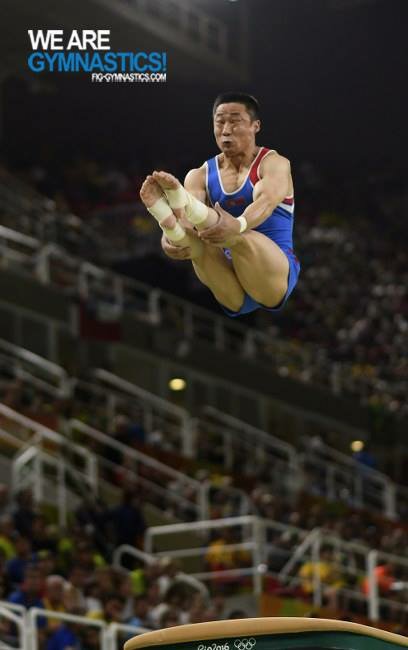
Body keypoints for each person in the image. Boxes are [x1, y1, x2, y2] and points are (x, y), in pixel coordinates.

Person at [140, 92, 300, 317]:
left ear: (255, 126)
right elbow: (186, 223)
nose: (225, 130)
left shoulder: (274, 164)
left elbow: (266, 203)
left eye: (235, 122)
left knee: (236, 236)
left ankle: (187, 207)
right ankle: (168, 223)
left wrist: (238, 224)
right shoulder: (199, 175)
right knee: (196, 245)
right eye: (220, 122)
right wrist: (171, 238)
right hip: (229, 281)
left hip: (272, 274)